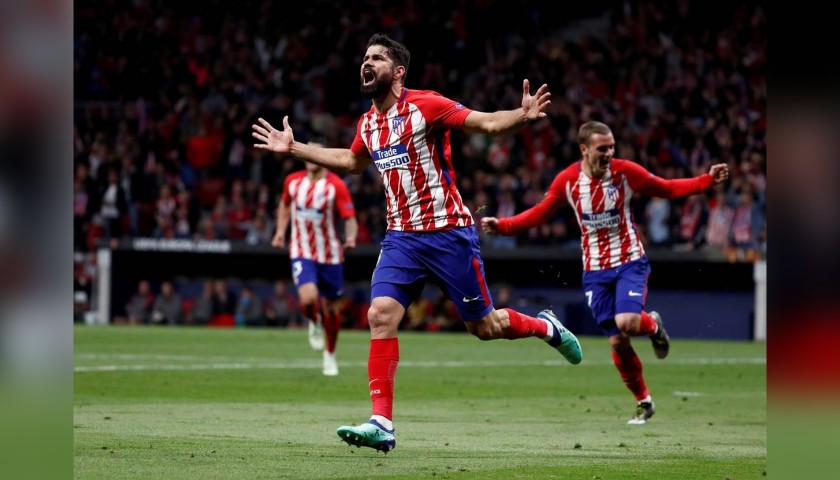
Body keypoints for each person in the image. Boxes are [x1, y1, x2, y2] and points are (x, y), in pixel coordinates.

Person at [252, 33, 582, 453]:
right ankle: (382, 423)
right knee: (380, 314)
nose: (366, 63)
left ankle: (545, 326)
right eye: (364, 57)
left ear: (398, 71)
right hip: (401, 239)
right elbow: (353, 162)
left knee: (484, 327)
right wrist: (295, 147)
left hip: (448, 234)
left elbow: (485, 122)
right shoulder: (367, 123)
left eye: (377, 58)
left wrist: (521, 115)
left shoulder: (426, 104)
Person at [481, 120, 730, 425]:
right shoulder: (568, 181)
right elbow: (539, 213)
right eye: (603, 148)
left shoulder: (625, 172)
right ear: (584, 149)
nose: (610, 152)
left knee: (626, 321)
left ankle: (652, 326)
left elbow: (665, 188)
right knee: (617, 342)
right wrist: (503, 226)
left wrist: (706, 181)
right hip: (595, 271)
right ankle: (644, 402)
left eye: (612, 146)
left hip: (629, 261)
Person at [272, 140, 359, 376]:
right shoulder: (292, 182)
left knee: (332, 309)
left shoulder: (336, 186)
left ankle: (330, 354)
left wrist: (351, 238)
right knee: (309, 299)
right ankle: (313, 319)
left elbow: (349, 217)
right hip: (302, 251)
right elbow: (284, 205)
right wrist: (280, 231)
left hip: (330, 254)